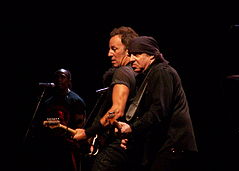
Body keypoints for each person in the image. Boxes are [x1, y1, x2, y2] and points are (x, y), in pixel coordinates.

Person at [117, 36, 199, 171]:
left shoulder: (161, 72)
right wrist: (131, 135)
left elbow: (159, 111)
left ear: (152, 56)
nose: (131, 59)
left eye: (137, 54)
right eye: (130, 54)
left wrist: (132, 128)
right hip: (166, 146)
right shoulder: (149, 75)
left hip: (173, 145)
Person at [73, 26, 139, 171]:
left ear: (128, 50)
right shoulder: (136, 74)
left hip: (115, 147)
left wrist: (87, 132)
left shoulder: (122, 73)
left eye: (114, 49)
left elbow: (116, 111)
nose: (109, 54)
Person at [26, 68, 87, 171]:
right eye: (57, 77)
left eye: (62, 77)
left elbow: (80, 127)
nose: (59, 79)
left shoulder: (76, 101)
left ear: (69, 81)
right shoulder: (48, 101)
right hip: (50, 144)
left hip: (69, 146)